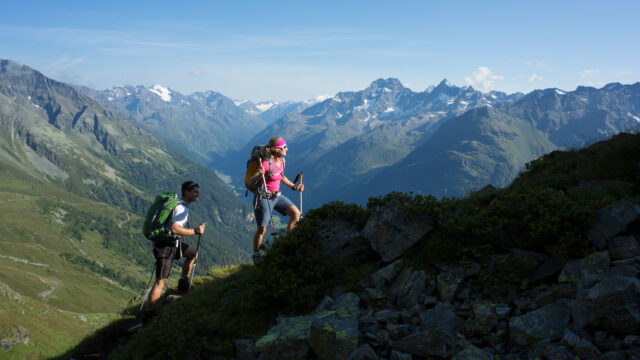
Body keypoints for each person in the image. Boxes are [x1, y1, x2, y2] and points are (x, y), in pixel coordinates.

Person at [142, 181, 206, 322]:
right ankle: (148, 314)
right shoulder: (181, 209)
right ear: (187, 192)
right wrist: (195, 231)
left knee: (192, 254)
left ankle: (183, 282)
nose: (197, 194)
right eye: (195, 191)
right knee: (161, 282)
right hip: (166, 247)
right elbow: (175, 229)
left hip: (172, 244)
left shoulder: (178, 205)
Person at [247, 137, 304, 264]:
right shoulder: (266, 164)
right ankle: (256, 255)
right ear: (277, 149)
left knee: (296, 214)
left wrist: (294, 187)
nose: (287, 149)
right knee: (262, 229)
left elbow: (280, 176)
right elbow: (250, 182)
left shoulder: (282, 161)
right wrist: (258, 174)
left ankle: (287, 244)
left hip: (276, 196)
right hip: (263, 198)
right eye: (284, 147)